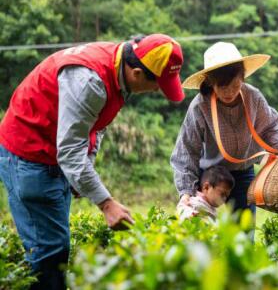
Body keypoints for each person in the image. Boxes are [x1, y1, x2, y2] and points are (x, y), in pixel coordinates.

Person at [0, 34, 184, 290]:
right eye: (157, 84)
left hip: (52, 153)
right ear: (138, 73)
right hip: (29, 154)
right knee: (49, 252)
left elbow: (96, 125)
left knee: (55, 244)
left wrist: (86, 166)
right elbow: (70, 152)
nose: (157, 90)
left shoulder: (119, 67)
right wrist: (107, 204)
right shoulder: (91, 81)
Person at [171, 41, 278, 219]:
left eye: (235, 86)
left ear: (243, 78)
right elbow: (187, 151)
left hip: (242, 172)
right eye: (222, 87)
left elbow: (271, 128)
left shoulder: (253, 96)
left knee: (244, 230)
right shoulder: (199, 106)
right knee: (203, 228)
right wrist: (186, 193)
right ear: (211, 83)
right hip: (210, 176)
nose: (229, 93)